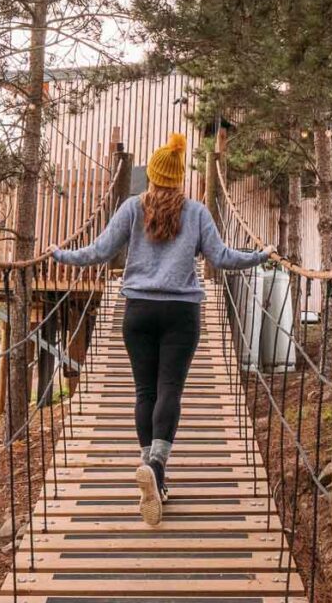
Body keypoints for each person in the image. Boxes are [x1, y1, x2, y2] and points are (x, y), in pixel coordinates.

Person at [51, 132, 273, 525]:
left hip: (138, 310)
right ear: (180, 178)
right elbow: (221, 259)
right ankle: (155, 467)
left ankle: (152, 472)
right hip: (181, 312)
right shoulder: (199, 212)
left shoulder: (132, 208)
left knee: (145, 391)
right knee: (170, 390)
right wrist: (260, 256)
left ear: (151, 176)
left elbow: (100, 252)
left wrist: (59, 254)